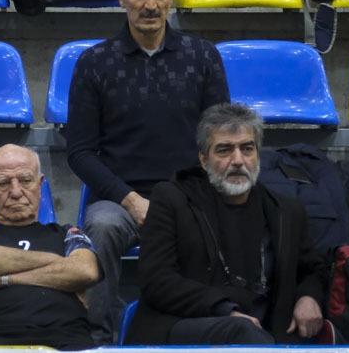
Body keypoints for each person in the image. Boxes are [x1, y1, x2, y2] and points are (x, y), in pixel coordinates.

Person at [65, 0, 230, 344]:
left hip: (190, 195)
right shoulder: (94, 63)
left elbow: (220, 141)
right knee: (101, 228)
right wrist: (131, 200)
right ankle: (97, 341)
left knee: (232, 222)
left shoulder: (203, 57)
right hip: (120, 201)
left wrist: (185, 199)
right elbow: (80, 152)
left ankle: (208, 333)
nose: (151, 4)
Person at [126, 103, 328, 345]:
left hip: (264, 333)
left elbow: (312, 269)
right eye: (224, 150)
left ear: (258, 155)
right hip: (184, 327)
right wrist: (225, 310)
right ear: (203, 160)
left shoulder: (286, 210)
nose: (238, 160)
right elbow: (156, 280)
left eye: (247, 149)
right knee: (242, 332)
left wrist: (309, 296)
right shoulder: (172, 199)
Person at [0, 144, 99, 349]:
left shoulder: (69, 233)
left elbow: (85, 270)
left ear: (40, 185)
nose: (16, 192)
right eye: (3, 183)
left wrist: (6, 279)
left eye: (26, 180)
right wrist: (55, 261)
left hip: (69, 344)